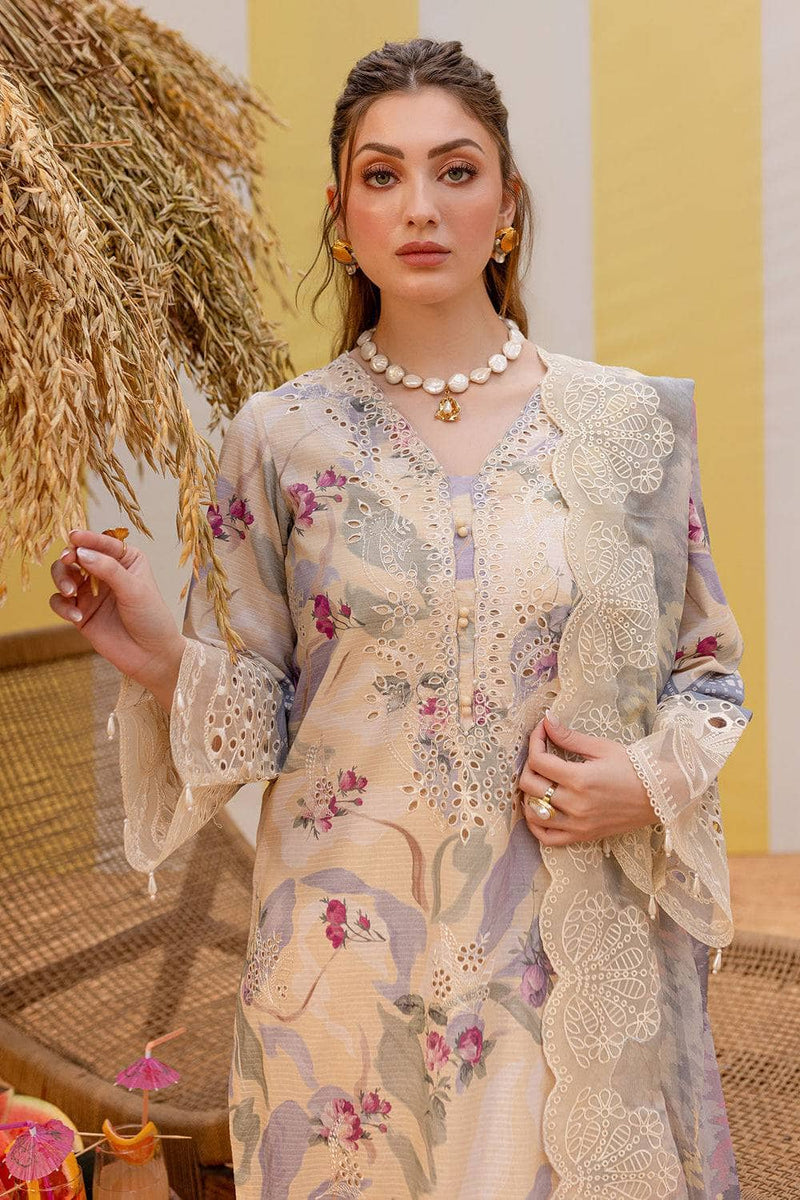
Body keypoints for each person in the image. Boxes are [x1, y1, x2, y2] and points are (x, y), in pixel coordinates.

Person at [49, 37, 752, 1200]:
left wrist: (647, 781)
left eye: (455, 170)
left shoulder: (624, 426)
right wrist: (164, 656)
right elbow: (269, 715)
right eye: (381, 175)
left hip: (558, 975)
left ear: (506, 203)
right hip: (341, 973)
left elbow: (706, 677)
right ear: (341, 215)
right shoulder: (276, 438)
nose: (419, 206)